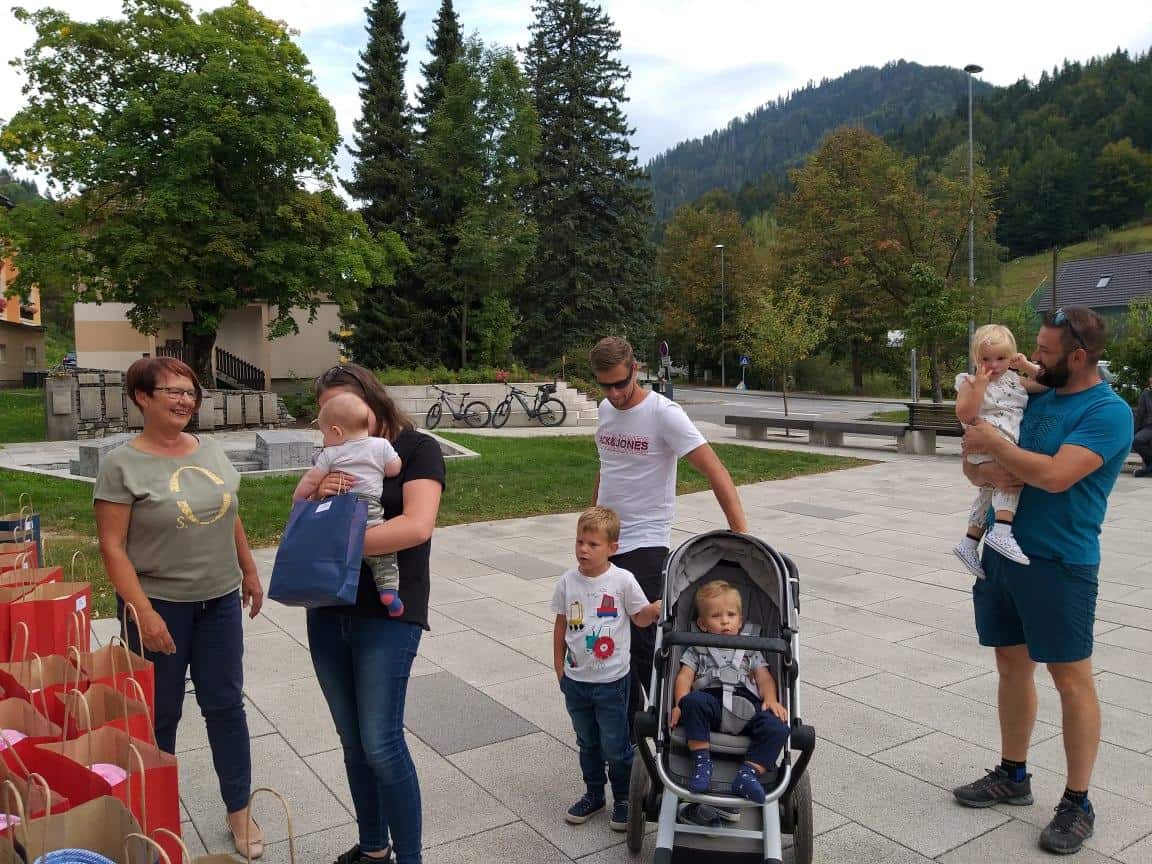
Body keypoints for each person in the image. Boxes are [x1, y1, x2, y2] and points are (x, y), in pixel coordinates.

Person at [952, 307, 1132, 856]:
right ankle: (1013, 774)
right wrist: (991, 461)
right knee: (1011, 665)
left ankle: (1078, 802)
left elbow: (1053, 476)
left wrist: (995, 446)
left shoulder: (1107, 412)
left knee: (1070, 678)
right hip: (1001, 551)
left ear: (1078, 356)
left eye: (1045, 352)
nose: (1030, 359)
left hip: (1060, 562)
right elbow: (972, 466)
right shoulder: (1033, 396)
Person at [93, 357, 265, 859]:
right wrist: (142, 612)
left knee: (225, 706)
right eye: (173, 391)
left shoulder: (208, 449)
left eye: (191, 392)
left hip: (219, 602)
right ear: (142, 397)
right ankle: (157, 815)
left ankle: (239, 810)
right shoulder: (121, 465)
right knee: (158, 714)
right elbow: (112, 546)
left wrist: (248, 569)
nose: (186, 400)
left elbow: (227, 513)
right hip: (159, 605)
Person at [306, 364, 444, 864]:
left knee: (381, 743)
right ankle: (373, 848)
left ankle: (409, 858)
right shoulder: (333, 451)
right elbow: (302, 513)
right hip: (327, 605)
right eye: (325, 411)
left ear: (370, 397)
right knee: (352, 741)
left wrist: (337, 545)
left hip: (390, 611)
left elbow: (416, 526)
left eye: (341, 402)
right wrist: (317, 497)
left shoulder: (415, 449)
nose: (334, 418)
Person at [589, 336, 748, 727]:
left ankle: (668, 721)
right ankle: (627, 725)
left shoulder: (664, 414)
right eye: (605, 386)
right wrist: (590, 524)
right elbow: (607, 468)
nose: (614, 394)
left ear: (636, 369)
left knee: (645, 643)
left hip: (646, 540)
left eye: (620, 383)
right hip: (606, 541)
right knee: (606, 638)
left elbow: (716, 471)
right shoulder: (605, 410)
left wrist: (744, 540)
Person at [551, 506, 662, 830]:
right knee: (587, 742)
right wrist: (559, 668)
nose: (583, 550)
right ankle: (594, 794)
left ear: (612, 548)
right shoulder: (567, 581)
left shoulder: (622, 580)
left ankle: (624, 799)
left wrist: (652, 610)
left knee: (615, 745)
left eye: (593, 544)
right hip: (576, 681)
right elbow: (561, 625)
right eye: (579, 542)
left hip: (612, 682)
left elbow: (639, 618)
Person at [670, 580, 790, 804]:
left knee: (778, 726)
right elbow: (684, 677)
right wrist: (679, 704)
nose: (725, 621)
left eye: (731, 615)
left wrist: (771, 699)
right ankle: (702, 763)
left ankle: (748, 774)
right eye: (716, 616)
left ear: (740, 621)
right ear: (702, 624)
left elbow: (764, 677)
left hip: (747, 707)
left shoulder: (751, 648)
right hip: (710, 704)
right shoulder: (697, 647)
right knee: (692, 702)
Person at [293, 391, 405, 615]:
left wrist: (299, 499)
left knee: (335, 552)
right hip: (369, 509)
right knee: (384, 556)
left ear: (336, 431)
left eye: (324, 434)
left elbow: (311, 480)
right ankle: (388, 591)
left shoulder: (330, 453)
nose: (324, 440)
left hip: (340, 509)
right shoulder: (381, 445)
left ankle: (333, 586)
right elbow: (394, 469)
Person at [952, 324, 1048, 579]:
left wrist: (1027, 366)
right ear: (975, 358)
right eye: (985, 359)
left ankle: (969, 542)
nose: (993, 365)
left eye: (1001, 358)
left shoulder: (1015, 381)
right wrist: (980, 387)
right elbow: (964, 413)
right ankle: (1002, 531)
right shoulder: (969, 382)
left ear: (1011, 358)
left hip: (1003, 443)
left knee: (988, 492)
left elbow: (1047, 384)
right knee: (1011, 481)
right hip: (985, 441)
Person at [1132, 374, 1152, 477]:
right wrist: (1134, 430)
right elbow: (1140, 414)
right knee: (1137, 440)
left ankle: (1148, 470)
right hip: (1149, 426)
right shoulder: (1146, 394)